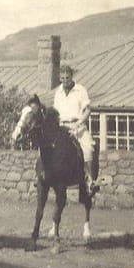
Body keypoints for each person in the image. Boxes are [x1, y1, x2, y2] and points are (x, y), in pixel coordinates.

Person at [53, 65, 97, 193]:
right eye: (62, 78)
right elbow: (55, 112)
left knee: (88, 148)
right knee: (47, 146)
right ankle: (43, 175)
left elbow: (88, 109)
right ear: (59, 78)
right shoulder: (58, 92)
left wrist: (79, 123)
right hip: (62, 127)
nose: (65, 80)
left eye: (67, 77)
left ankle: (90, 180)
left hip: (78, 126)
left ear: (71, 76)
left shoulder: (80, 90)